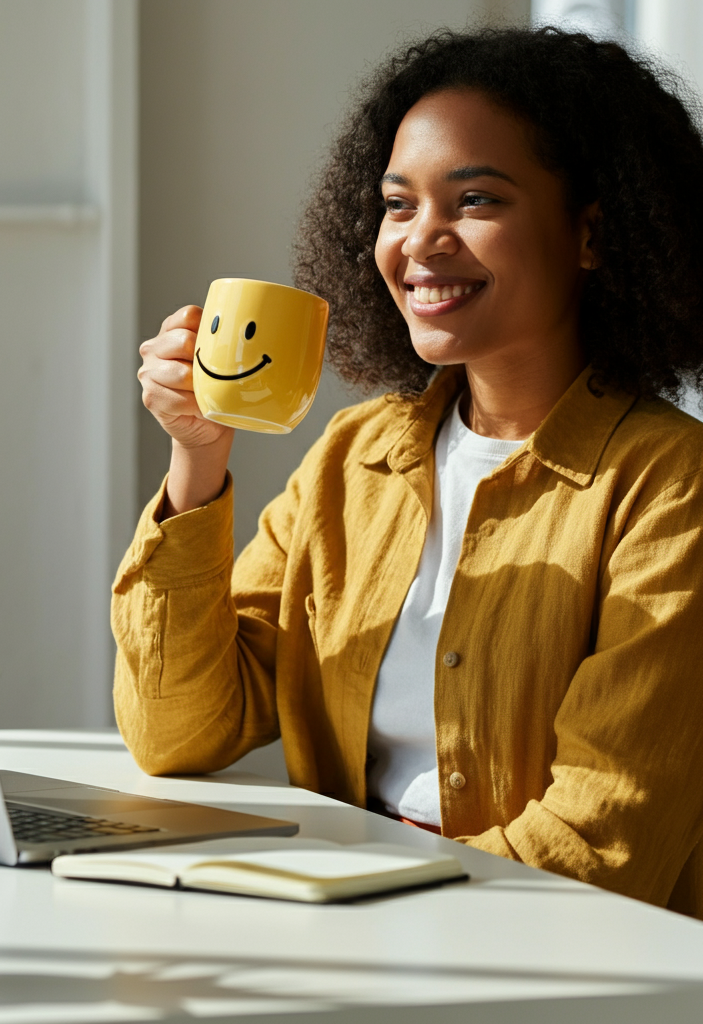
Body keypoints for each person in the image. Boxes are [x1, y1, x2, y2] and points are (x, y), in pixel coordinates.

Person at [113, 27, 703, 917]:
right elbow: (176, 732)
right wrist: (198, 458)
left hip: (542, 961)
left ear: (591, 231)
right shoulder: (356, 458)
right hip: (357, 921)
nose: (421, 242)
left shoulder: (670, 485)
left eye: (475, 201)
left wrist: (359, 916)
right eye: (398, 205)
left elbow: (599, 845)